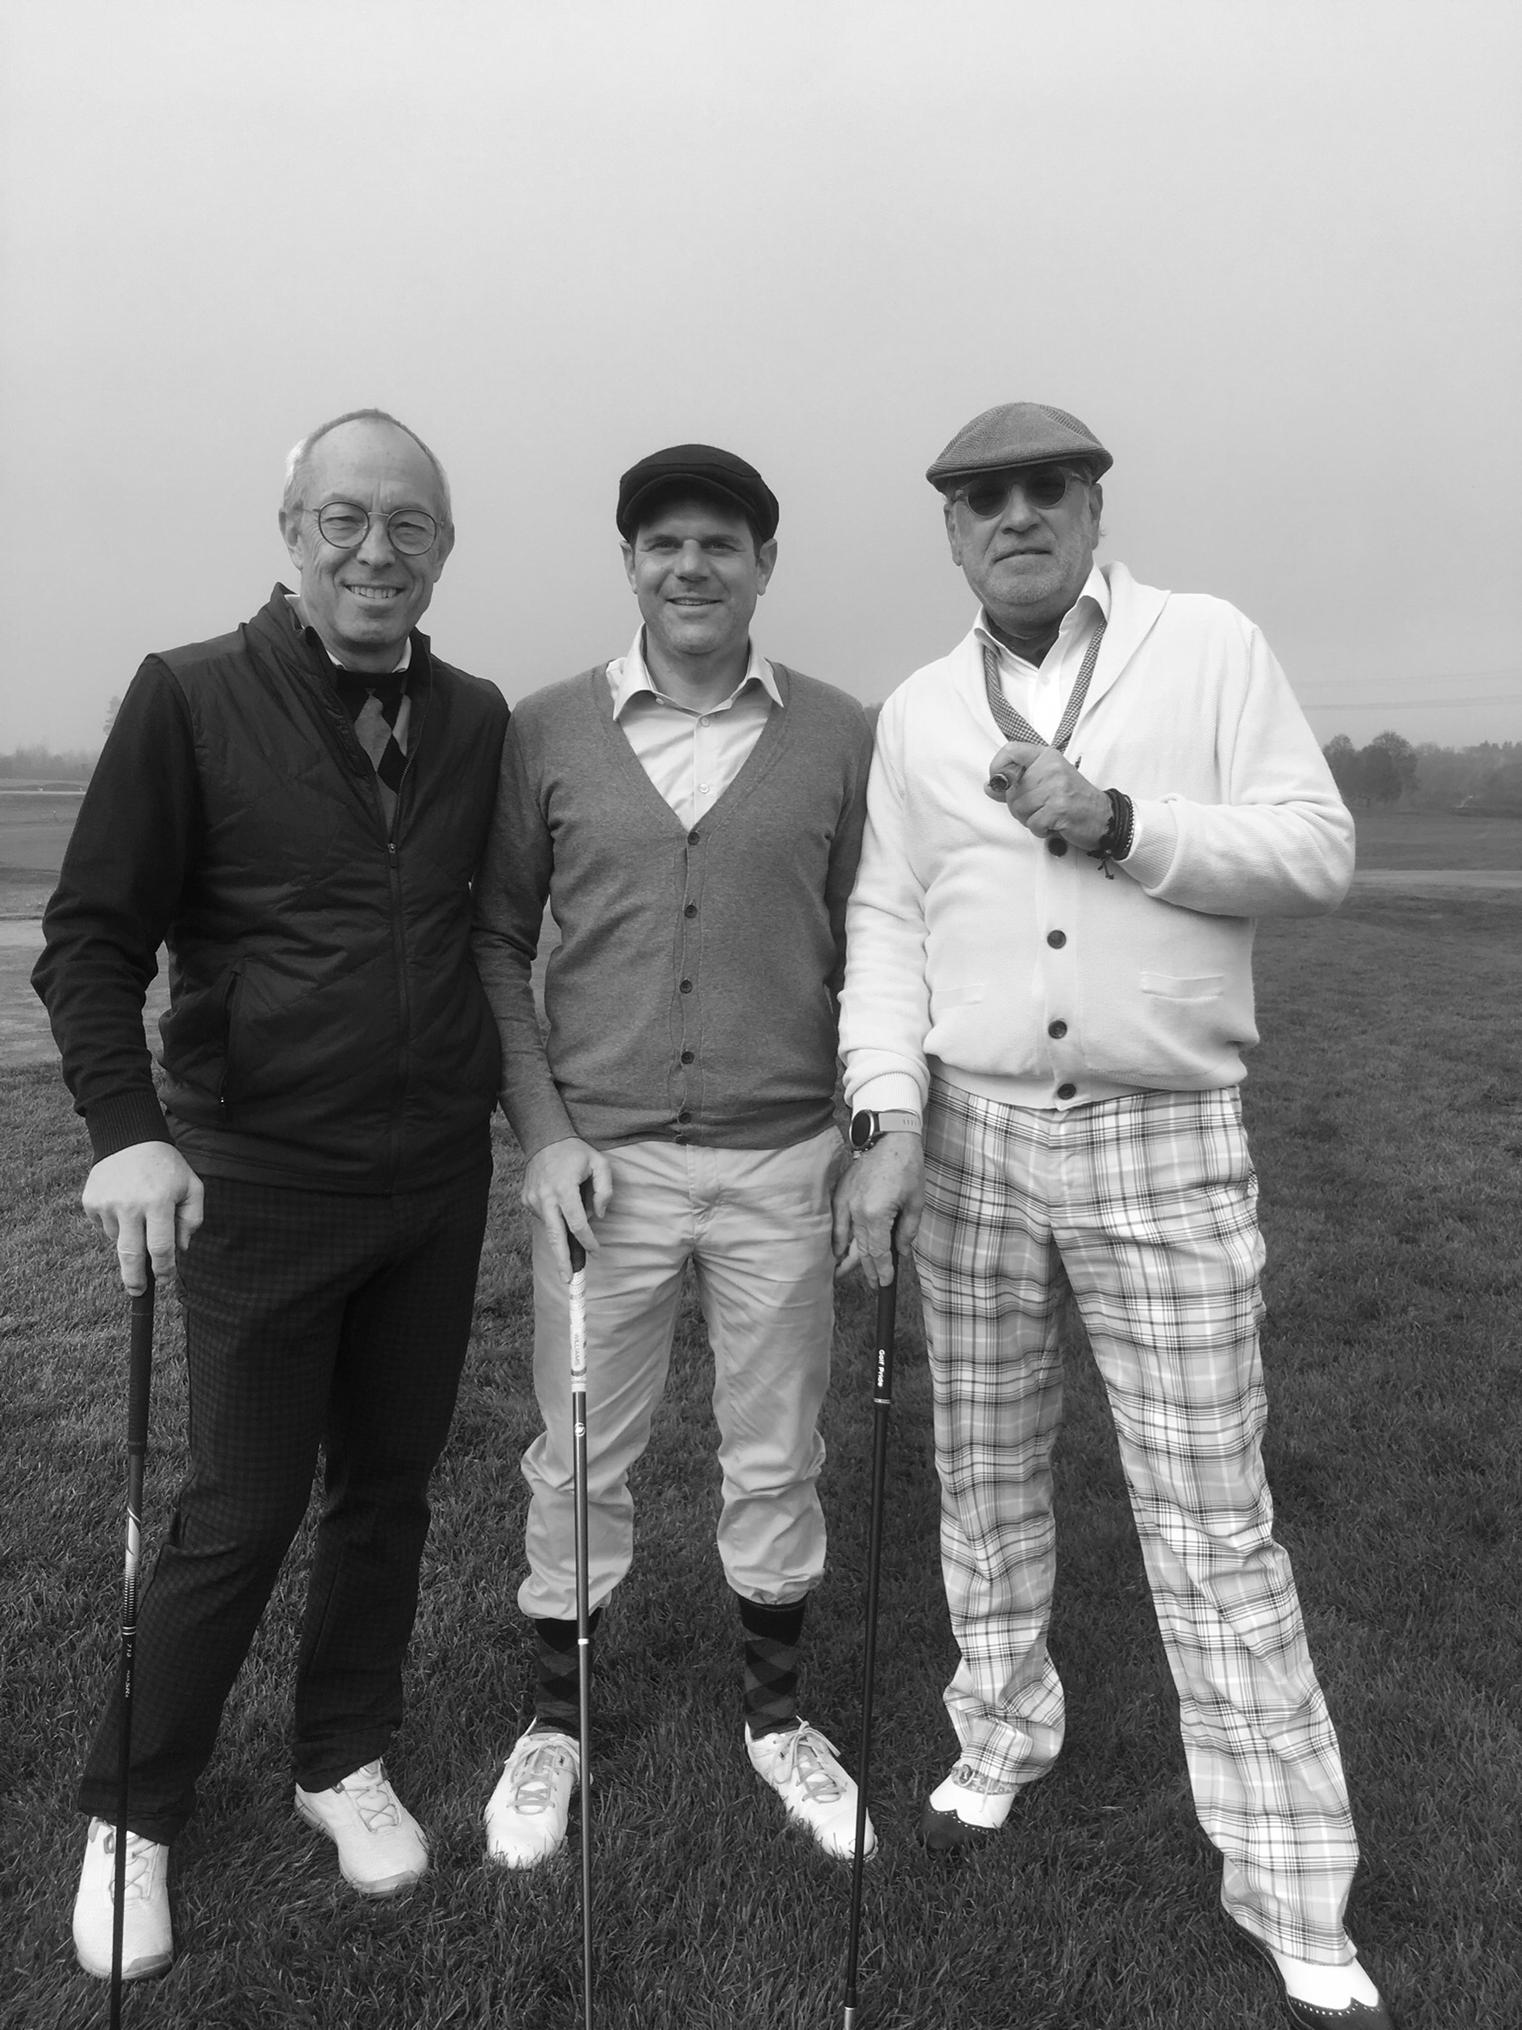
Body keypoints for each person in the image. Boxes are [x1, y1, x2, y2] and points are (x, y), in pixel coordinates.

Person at [832, 403, 1395, 2030]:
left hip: (1163, 1129)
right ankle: (1000, 1731)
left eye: (1043, 489)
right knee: (982, 1472)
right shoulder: (918, 710)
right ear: (950, 530)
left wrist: (1122, 823)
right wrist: (885, 1115)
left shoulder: (1203, 645)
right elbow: (885, 924)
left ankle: (1290, 1879)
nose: (1013, 515)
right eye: (980, 498)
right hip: (973, 1135)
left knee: (1210, 1513)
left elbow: (1314, 851)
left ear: (1089, 506)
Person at [34, 409, 509, 1983]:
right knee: (238, 1508)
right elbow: (92, 937)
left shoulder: (471, 714)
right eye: (344, 519)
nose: (376, 549)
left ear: (444, 547)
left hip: (433, 1178)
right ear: (292, 531)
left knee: (388, 1487)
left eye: (409, 524)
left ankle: (340, 1752)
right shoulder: (188, 696)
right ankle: (132, 1808)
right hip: (266, 1179)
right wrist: (125, 1126)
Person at [470, 443, 876, 1869]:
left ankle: (778, 1721)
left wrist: (869, 1128)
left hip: (784, 1160)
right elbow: (497, 939)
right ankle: (556, 1724)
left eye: (719, 542)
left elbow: (876, 943)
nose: (690, 566)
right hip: (603, 1171)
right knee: (579, 1454)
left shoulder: (839, 733)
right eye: (663, 543)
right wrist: (545, 1133)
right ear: (631, 564)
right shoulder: (545, 731)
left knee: (777, 1452)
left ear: (762, 564)